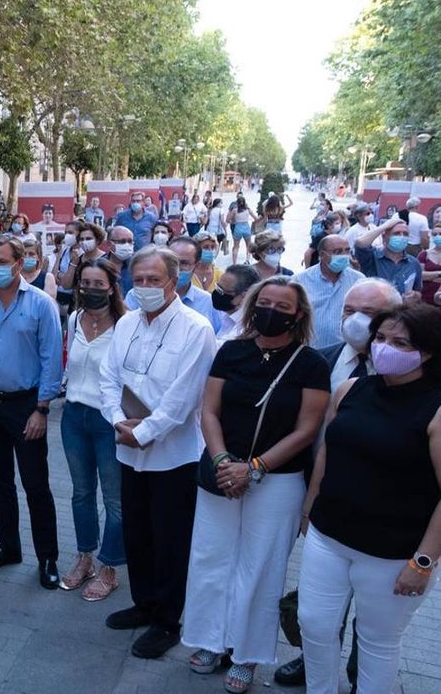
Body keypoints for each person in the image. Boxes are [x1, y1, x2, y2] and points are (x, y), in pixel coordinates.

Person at [183, 277, 330, 693]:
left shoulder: (310, 364)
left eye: (282, 306)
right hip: (220, 472)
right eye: (264, 302)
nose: (271, 310)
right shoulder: (231, 351)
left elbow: (306, 430)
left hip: (278, 480)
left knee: (261, 566)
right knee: (212, 558)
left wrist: (256, 467)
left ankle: (247, 653)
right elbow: (208, 411)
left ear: (298, 315)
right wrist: (222, 460)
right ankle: (212, 640)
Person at [298, 304, 441, 694]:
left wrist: (424, 562)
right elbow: (329, 451)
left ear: (426, 351)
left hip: (394, 553)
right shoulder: (350, 389)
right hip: (328, 536)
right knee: (314, 624)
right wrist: (309, 509)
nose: (384, 347)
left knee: (377, 642)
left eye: (399, 342)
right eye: (379, 338)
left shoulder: (436, 408)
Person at [272, 277, 403, 688]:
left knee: (375, 602)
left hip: (384, 515)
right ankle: (315, 659)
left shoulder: (414, 380)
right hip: (322, 499)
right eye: (349, 311)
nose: (356, 322)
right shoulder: (319, 361)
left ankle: (363, 668)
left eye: (369, 314)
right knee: (321, 598)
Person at [99, 246, 217, 659]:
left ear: (174, 279)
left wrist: (144, 432)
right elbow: (109, 377)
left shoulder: (196, 328)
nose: (146, 287)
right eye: (140, 279)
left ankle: (167, 619)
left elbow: (184, 398)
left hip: (174, 455)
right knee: (137, 532)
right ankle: (143, 602)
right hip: (127, 448)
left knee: (170, 539)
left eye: (155, 279)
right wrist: (117, 420)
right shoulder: (127, 322)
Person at [0, 235, 63, 589]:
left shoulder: (41, 304)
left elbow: (52, 359)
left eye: (1, 261)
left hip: (27, 406)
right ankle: (8, 546)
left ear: (20, 262)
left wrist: (42, 409)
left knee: (36, 485)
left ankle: (48, 556)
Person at [59, 258, 127, 601]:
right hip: (74, 416)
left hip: (108, 421)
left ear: (112, 288)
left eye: (98, 284)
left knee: (114, 499)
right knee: (81, 493)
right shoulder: (73, 318)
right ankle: (84, 557)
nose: (90, 289)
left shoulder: (127, 325)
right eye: (85, 283)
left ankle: (109, 567)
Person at [125, 237, 221, 333]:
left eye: (184, 263)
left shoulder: (208, 302)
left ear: (196, 265)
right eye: (172, 262)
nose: (177, 268)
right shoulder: (137, 295)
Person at [292, 235, 366, 348]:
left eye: (347, 251)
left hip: (343, 351)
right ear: (322, 254)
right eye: (337, 251)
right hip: (310, 349)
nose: (343, 255)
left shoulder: (358, 280)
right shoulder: (301, 280)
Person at [355, 215, 423, 299]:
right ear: (384, 237)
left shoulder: (413, 263)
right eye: (396, 233)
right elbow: (360, 243)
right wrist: (384, 226)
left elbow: (418, 291)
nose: (401, 237)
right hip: (375, 309)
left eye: (405, 234)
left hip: (401, 310)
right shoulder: (372, 257)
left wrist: (415, 295)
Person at [212, 264, 261, 344]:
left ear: (245, 295)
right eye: (217, 287)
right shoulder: (227, 315)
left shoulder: (245, 328)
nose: (216, 294)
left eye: (221, 291)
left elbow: (216, 348)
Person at [58, 222, 108, 295]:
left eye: (88, 238)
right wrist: (74, 263)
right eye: (81, 239)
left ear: (97, 240)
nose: (84, 242)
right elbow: (66, 285)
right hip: (78, 303)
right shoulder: (77, 259)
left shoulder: (106, 259)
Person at [106, 225, 135, 294]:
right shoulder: (100, 265)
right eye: (122, 241)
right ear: (109, 244)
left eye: (130, 241)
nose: (127, 245)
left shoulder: (137, 266)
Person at [227, 195, 254, 264]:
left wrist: (234, 221)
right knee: (248, 245)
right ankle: (247, 260)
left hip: (238, 227)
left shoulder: (235, 210)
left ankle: (234, 263)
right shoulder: (248, 209)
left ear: (237, 203)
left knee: (236, 246)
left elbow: (228, 220)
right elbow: (256, 218)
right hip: (246, 227)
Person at [419, 222, 441, 306]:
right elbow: (421, 275)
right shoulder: (424, 254)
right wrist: (439, 273)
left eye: (440, 234)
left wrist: (430, 276)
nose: (438, 236)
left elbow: (426, 275)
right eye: (435, 234)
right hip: (426, 298)